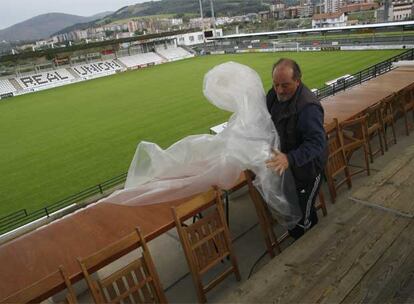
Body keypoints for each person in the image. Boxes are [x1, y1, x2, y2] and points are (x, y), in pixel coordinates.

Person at [265, 58, 327, 239]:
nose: (279, 90)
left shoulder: (308, 106)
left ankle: (308, 245)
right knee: (291, 208)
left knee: (302, 216)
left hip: (308, 170)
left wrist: (289, 159)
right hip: (287, 167)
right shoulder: (273, 96)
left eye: (285, 85)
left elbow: (317, 143)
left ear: (298, 81)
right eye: (276, 84)